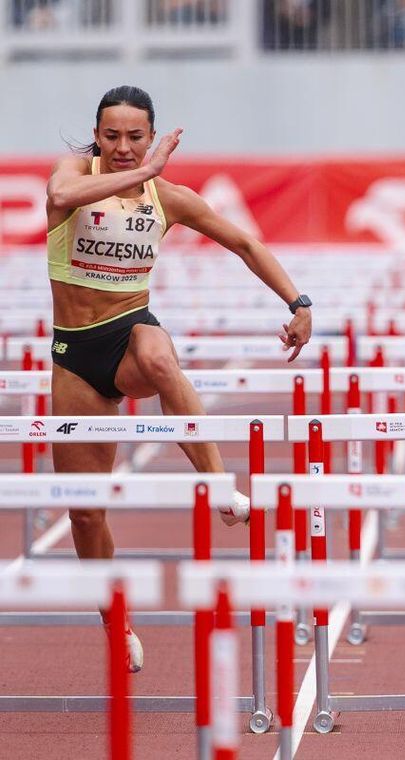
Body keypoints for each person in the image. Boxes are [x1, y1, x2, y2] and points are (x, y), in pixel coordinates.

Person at [47, 85, 313, 671]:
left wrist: (298, 301)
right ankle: (115, 623)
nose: (122, 147)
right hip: (74, 353)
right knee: (85, 512)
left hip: (129, 336)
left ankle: (219, 484)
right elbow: (62, 193)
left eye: (135, 138)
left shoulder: (167, 197)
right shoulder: (72, 174)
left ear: (151, 136)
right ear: (96, 135)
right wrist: (141, 172)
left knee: (161, 355)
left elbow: (243, 241)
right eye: (111, 136)